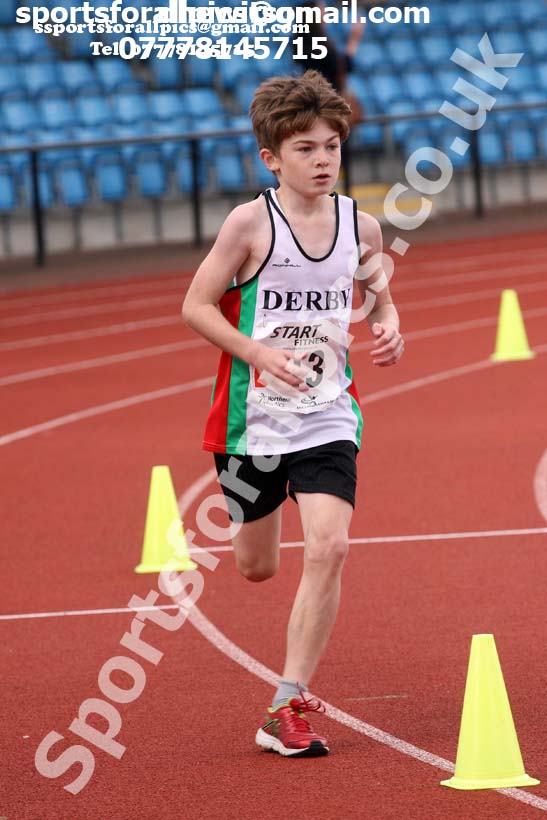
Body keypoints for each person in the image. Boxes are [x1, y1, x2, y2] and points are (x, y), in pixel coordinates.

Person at [182, 70, 404, 757]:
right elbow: (193, 306)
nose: (322, 160)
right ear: (271, 159)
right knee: (256, 566)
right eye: (304, 148)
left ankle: (285, 703)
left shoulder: (357, 223)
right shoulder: (250, 224)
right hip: (253, 422)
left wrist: (388, 321)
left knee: (330, 546)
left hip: (328, 414)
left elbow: (372, 286)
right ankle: (283, 684)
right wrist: (254, 350)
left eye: (331, 146)